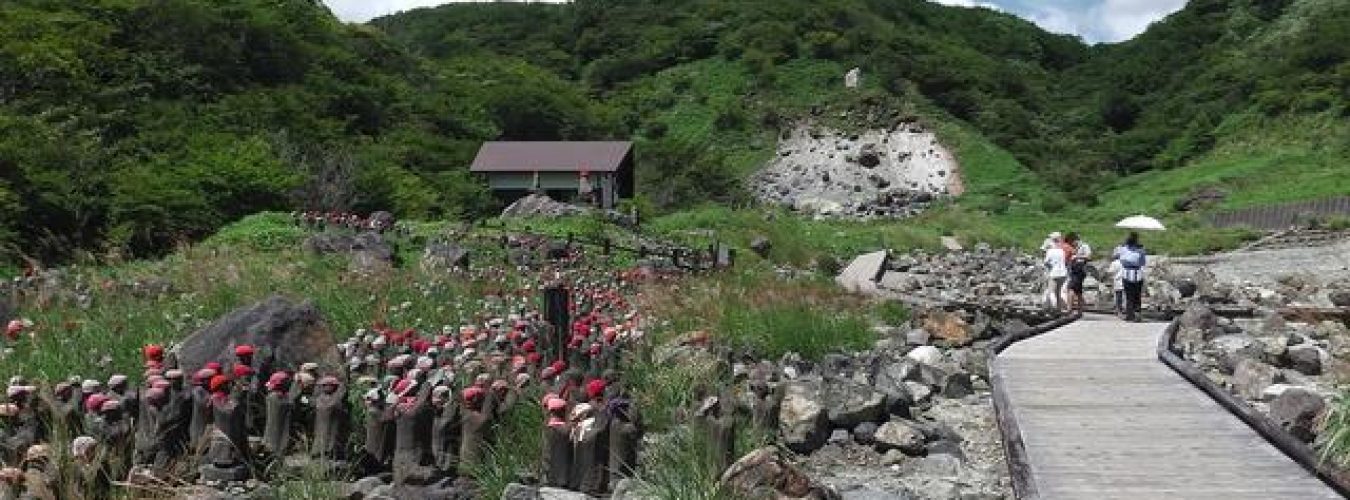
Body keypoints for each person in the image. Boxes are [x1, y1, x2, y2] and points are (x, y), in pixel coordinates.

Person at [1113, 232, 1147, 322]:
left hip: (1126, 273)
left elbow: (1119, 258)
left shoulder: (1123, 249)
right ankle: (1137, 314)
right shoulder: (1141, 251)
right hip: (1137, 274)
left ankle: (1129, 314)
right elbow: (1143, 263)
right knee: (1137, 295)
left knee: (1129, 296)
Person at [1064, 233, 1091, 312]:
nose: (1070, 244)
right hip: (1074, 269)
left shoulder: (1084, 246)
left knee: (1070, 288)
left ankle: (1069, 309)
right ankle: (1080, 309)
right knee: (1078, 290)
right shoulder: (1074, 247)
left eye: (1070, 242)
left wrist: (1077, 256)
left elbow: (1089, 257)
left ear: (1074, 240)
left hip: (1080, 268)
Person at [1043, 235, 1069, 312]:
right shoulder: (1062, 251)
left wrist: (1049, 266)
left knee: (1051, 291)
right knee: (1058, 291)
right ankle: (1059, 308)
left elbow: (1046, 262)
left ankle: (1053, 307)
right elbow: (1064, 261)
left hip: (1054, 273)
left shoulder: (1050, 251)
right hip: (1063, 273)